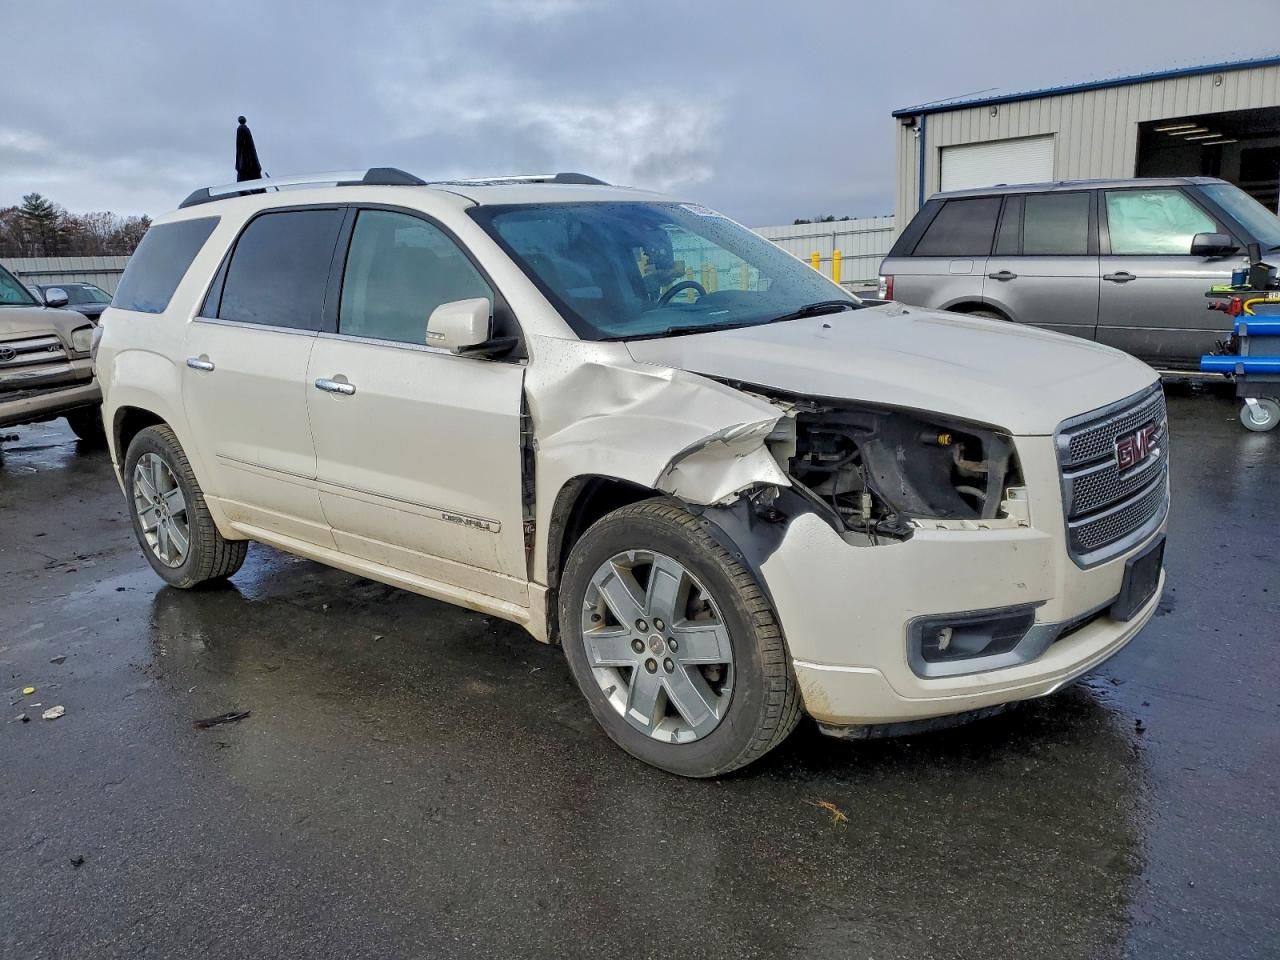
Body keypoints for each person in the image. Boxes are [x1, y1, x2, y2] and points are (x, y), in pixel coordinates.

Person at [235, 116, 263, 183]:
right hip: (247, 159)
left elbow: (240, 145)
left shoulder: (241, 129)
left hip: (247, 160)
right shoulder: (244, 129)